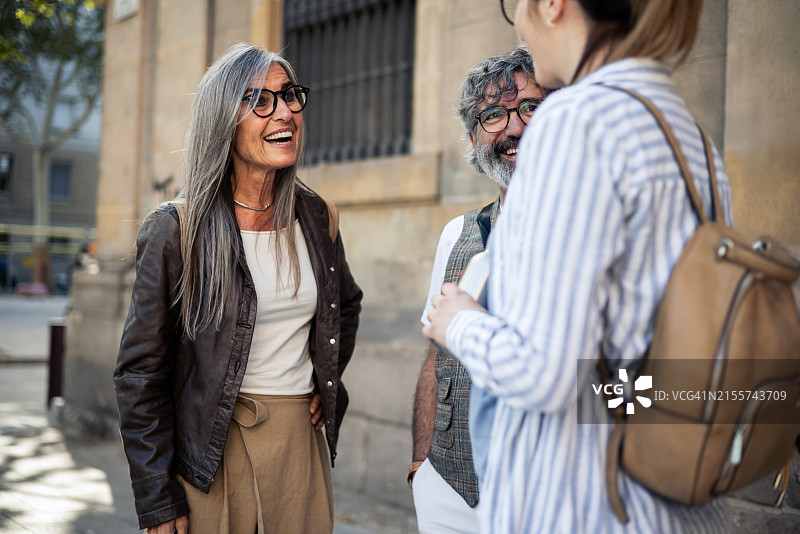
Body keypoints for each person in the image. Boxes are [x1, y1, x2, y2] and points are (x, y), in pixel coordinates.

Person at [423, 0, 733, 532]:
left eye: (513, 6)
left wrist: (460, 322)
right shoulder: (691, 139)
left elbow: (545, 374)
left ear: (551, 5)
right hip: (670, 500)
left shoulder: (574, 122)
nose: (519, 25)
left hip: (583, 501)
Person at [114, 43, 362, 534]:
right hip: (211, 456)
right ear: (223, 120)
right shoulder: (177, 229)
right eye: (260, 100)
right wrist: (157, 498)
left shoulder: (317, 216)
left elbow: (346, 305)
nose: (284, 112)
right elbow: (140, 373)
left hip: (300, 448)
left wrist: (325, 377)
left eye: (289, 96)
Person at [410, 47, 548, 534]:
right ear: (474, 137)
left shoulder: (590, 230)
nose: (513, 128)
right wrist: (421, 467)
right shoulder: (457, 235)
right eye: (493, 115)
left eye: (530, 106)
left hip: (544, 499)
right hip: (450, 494)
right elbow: (436, 359)